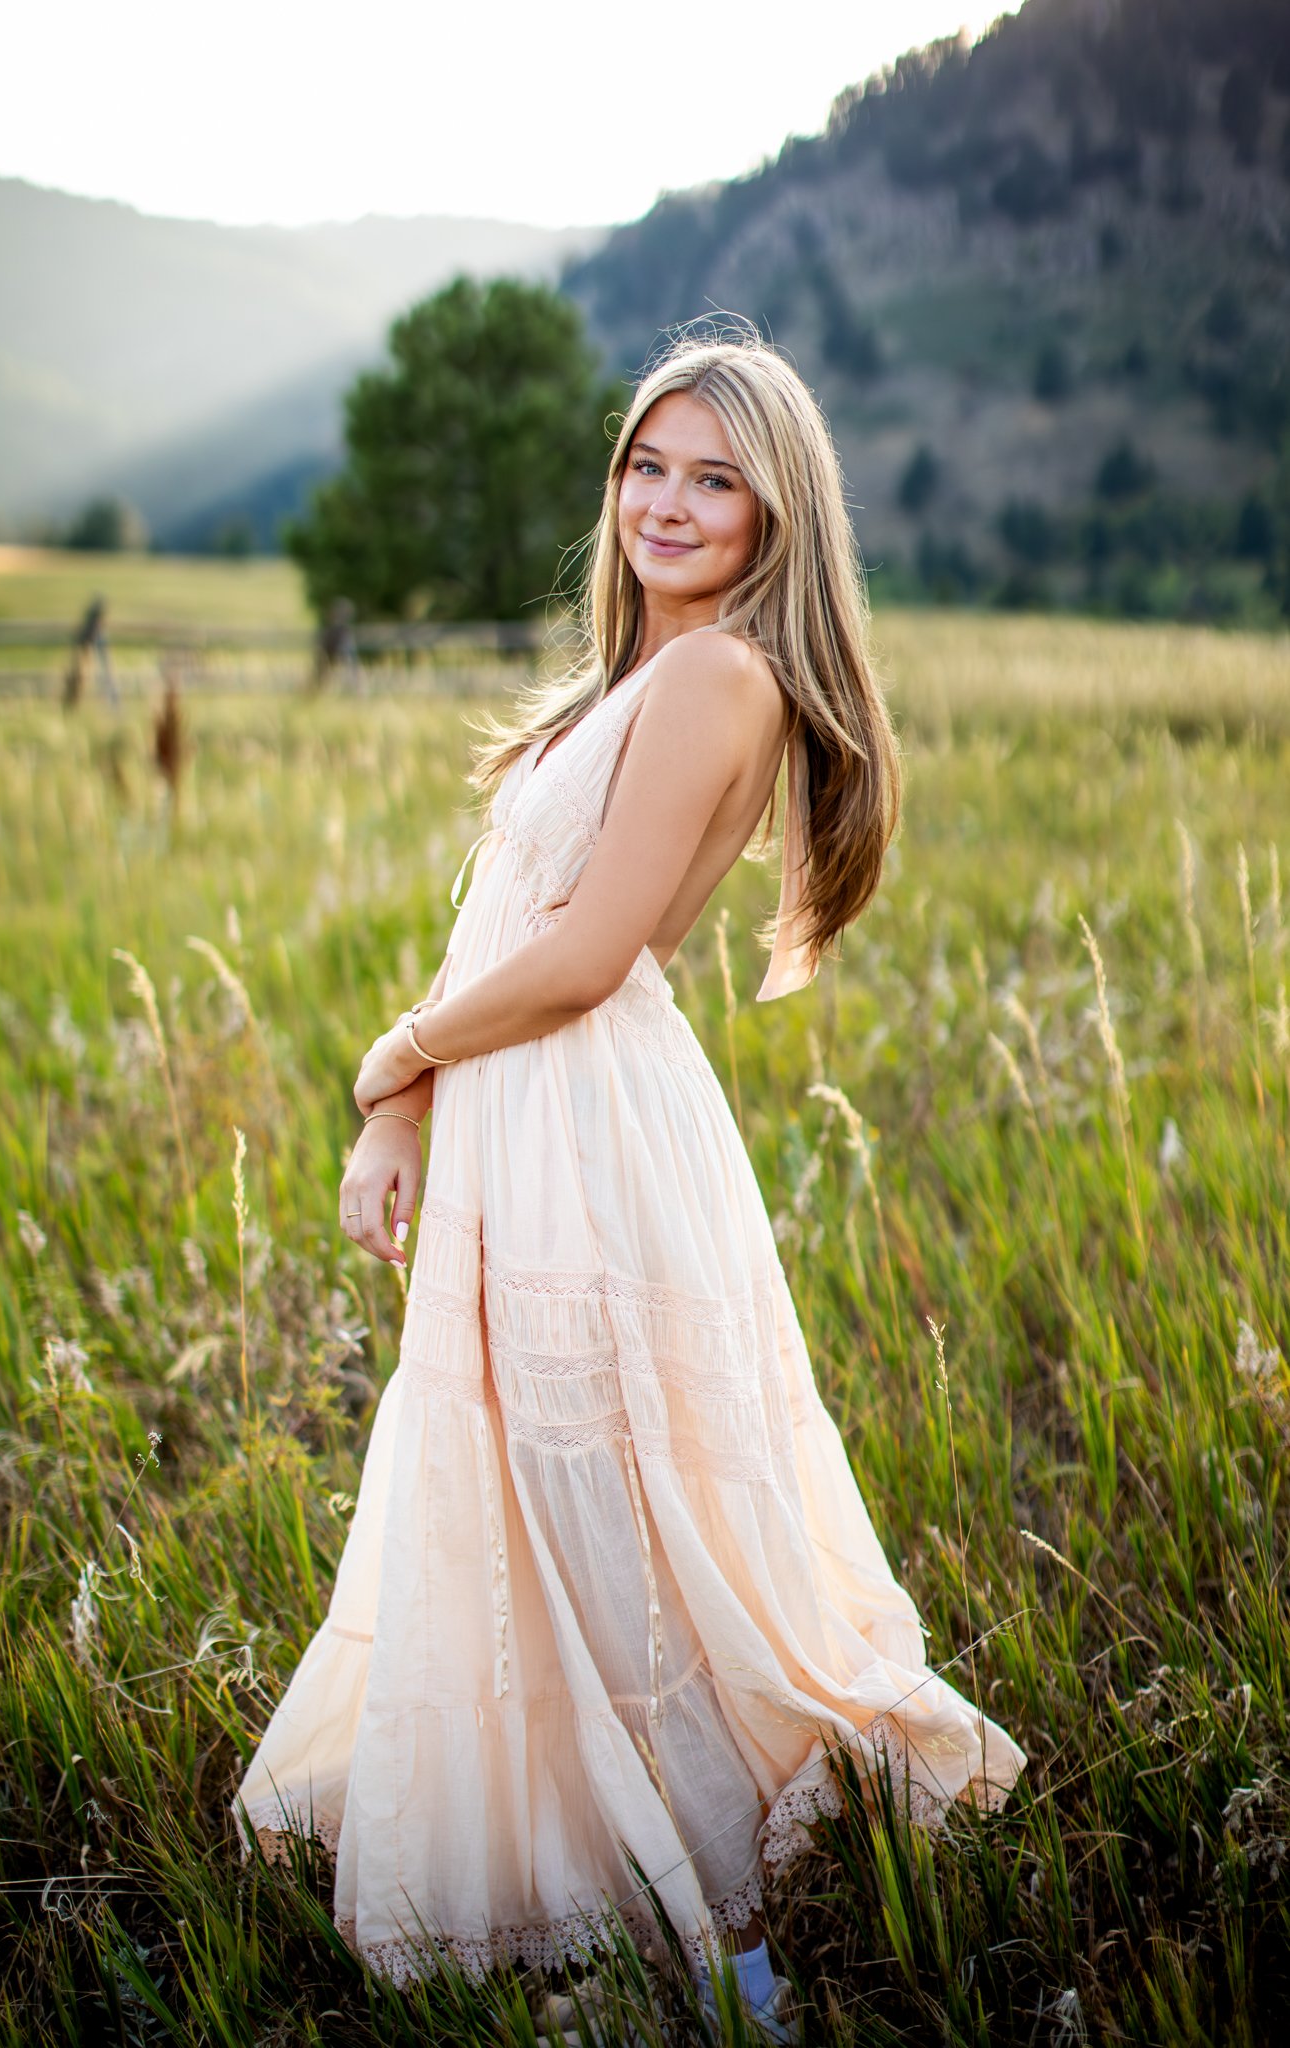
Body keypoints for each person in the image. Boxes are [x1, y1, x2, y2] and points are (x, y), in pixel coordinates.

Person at [234, 330, 1029, 2039]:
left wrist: (392, 1061)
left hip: (585, 1125)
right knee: (560, 1490)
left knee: (607, 1507)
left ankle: (728, 1940)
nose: (667, 502)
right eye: (646, 466)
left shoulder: (715, 681)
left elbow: (592, 953)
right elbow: (543, 946)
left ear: (771, 517)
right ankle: (617, 1859)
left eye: (714, 478)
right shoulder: (640, 679)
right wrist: (418, 1108)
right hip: (545, 1112)